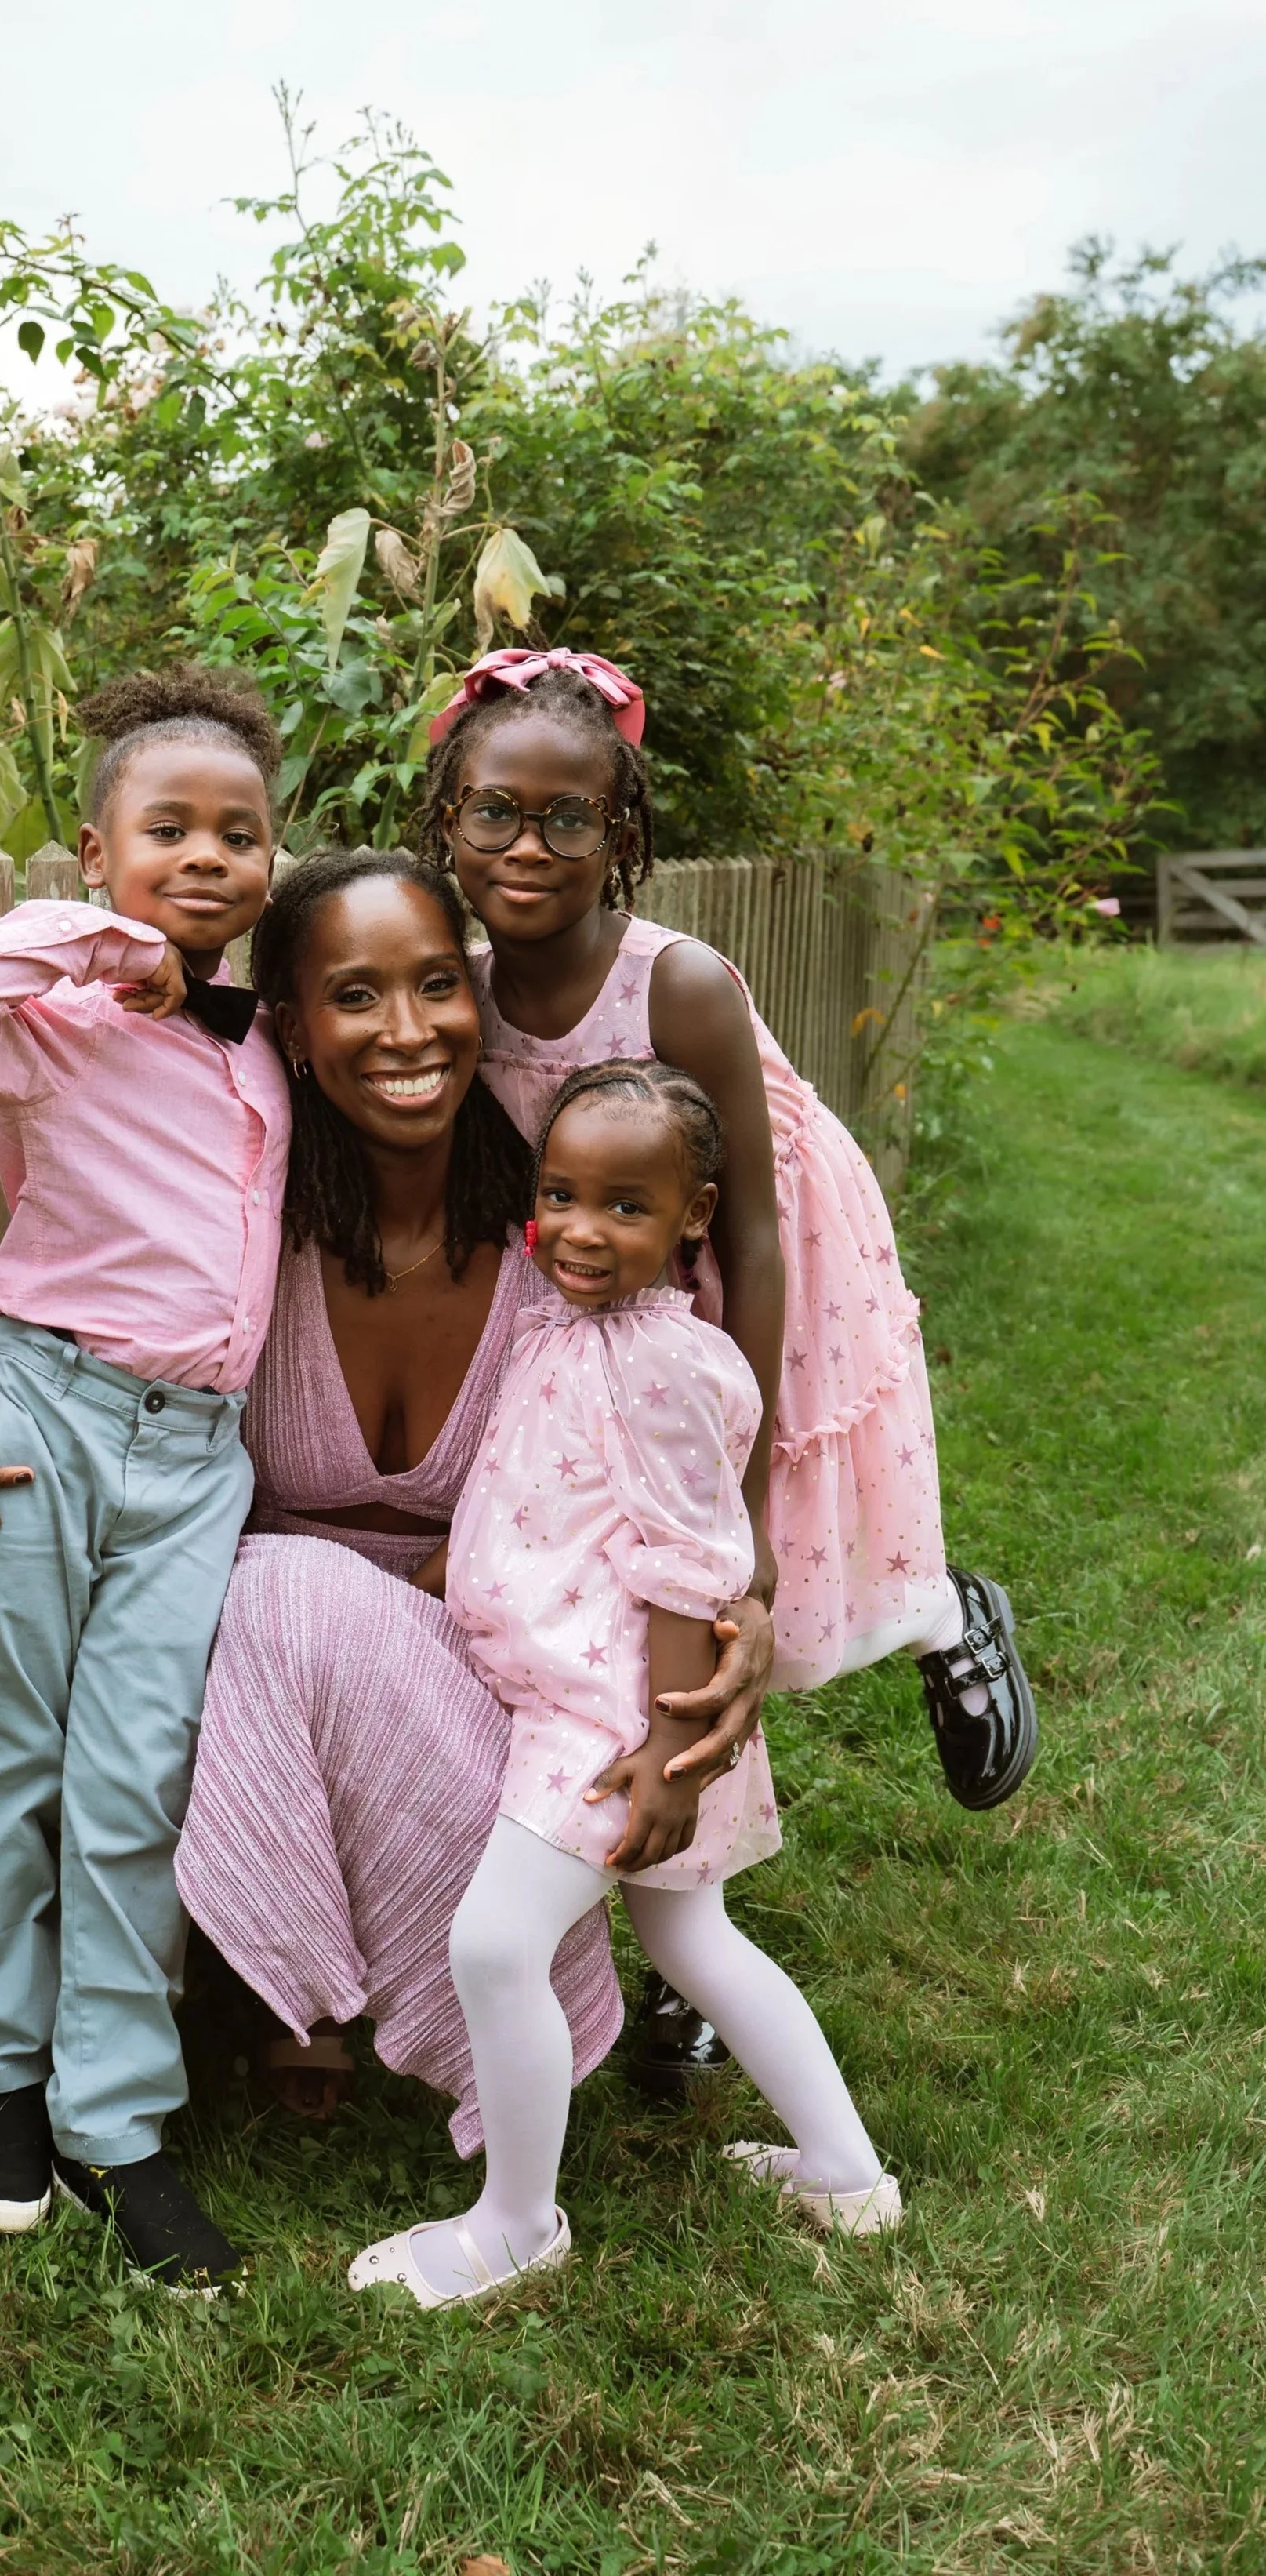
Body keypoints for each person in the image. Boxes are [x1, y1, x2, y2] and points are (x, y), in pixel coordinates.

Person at [0, 854, 745, 2156]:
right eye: (354, 995)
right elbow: (89, 1349)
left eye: (439, 985)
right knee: (264, 1591)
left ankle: (355, 1989)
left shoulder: (569, 1250)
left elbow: (687, 1471)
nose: (408, 1031)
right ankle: (265, 1981)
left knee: (283, 1587)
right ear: (288, 1021)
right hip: (242, 1698)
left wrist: (753, 1601)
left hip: (487, 1708)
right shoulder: (240, 1236)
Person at [421, 644, 1038, 2091]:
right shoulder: (462, 979)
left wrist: (742, 1489)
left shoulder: (677, 984)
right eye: (496, 812)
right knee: (624, 1625)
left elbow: (753, 1236)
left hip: (743, 1259)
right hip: (610, 1269)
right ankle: (661, 1941)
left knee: (736, 1595)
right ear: (445, 815)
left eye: (570, 819)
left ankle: (946, 1616)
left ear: (620, 834)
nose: (529, 846)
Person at [350, 1063, 899, 2309]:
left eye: (626, 1206)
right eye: (560, 1195)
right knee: (690, 1934)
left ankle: (513, 2222)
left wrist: (665, 1755)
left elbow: (681, 1568)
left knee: (493, 1949)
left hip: (612, 1716)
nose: (582, 1230)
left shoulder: (666, 1365)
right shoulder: (571, 1326)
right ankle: (845, 2170)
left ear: (693, 1216)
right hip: (587, 1692)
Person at [0, 664, 289, 2291]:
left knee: (137, 1782)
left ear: (273, 860)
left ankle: (119, 2117)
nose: (207, 856)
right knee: (8, 1759)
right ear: (98, 846)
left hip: (196, 1458)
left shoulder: (268, 1057)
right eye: (167, 829)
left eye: (240, 834)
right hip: (43, 1412)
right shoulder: (50, 1026)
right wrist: (92, 941)